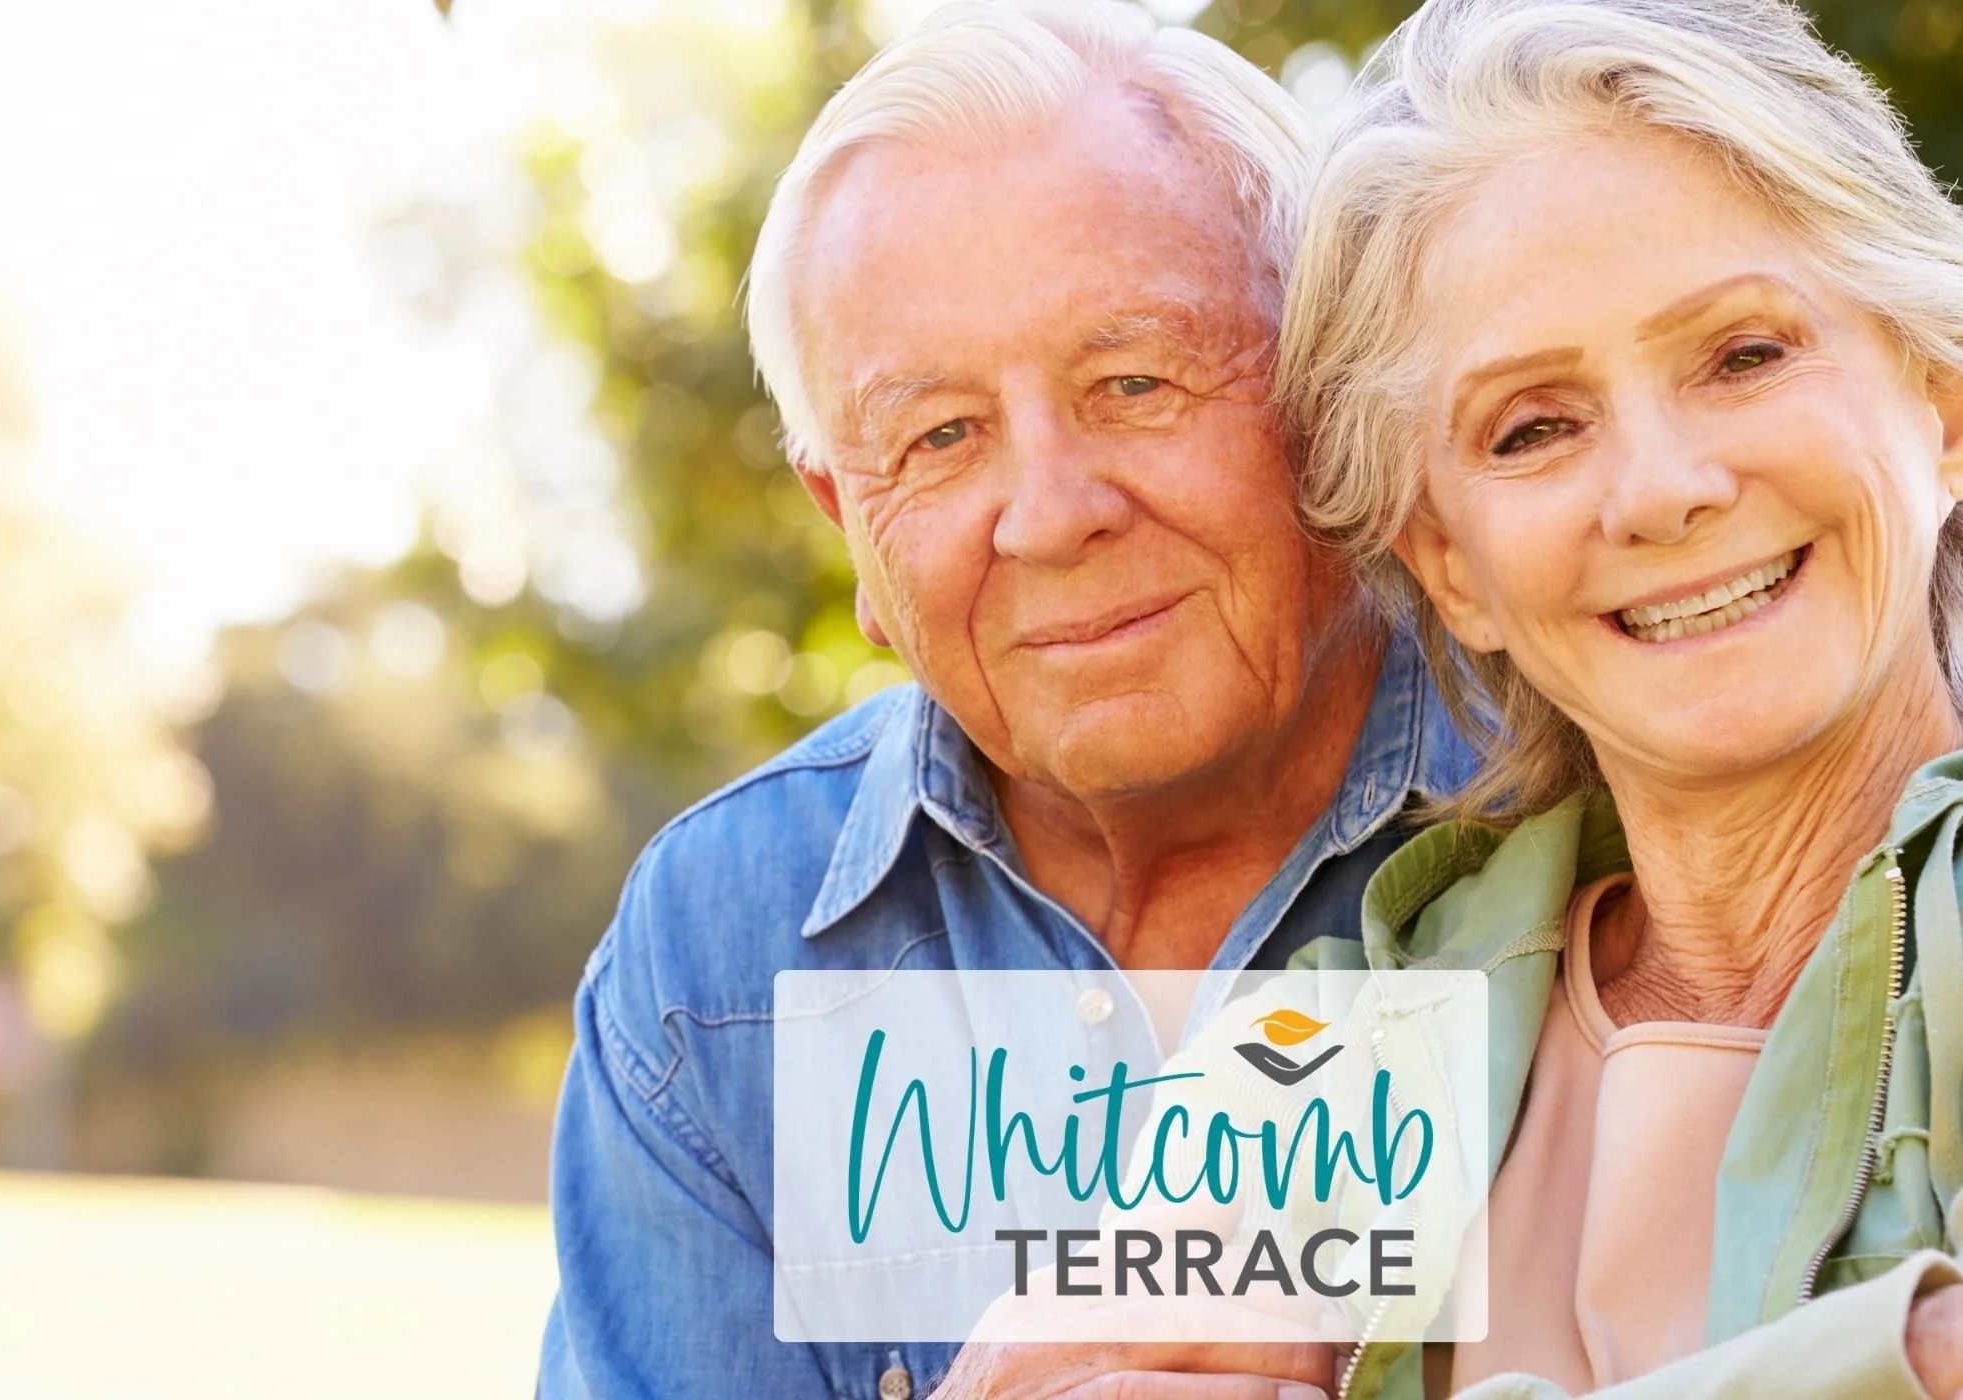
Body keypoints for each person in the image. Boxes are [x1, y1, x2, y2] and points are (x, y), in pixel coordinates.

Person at [1260, 0, 1963, 1395]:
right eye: (1533, 426)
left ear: (1947, 400)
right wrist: (1938, 1345)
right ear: (1451, 568)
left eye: (1744, 354)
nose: (1663, 487)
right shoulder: (1334, 1014)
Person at [534, 5, 1478, 1397]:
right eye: (940, 437)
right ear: (846, 522)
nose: (1048, 515)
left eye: (1135, 381)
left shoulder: (1605, 812)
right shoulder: (718, 955)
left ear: (1328, 391)